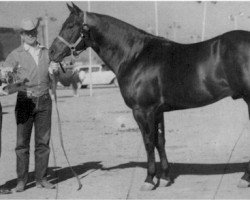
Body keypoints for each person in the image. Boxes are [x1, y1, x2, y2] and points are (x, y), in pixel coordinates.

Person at [2, 18, 57, 192]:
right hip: (25, 101)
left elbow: (58, 80)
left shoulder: (47, 52)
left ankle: (42, 178)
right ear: (22, 35)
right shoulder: (14, 55)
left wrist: (54, 71)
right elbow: (5, 82)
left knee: (43, 142)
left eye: (33, 31)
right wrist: (10, 80)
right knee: (21, 144)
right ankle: (21, 181)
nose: (31, 35)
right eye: (27, 32)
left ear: (36, 32)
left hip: (45, 100)